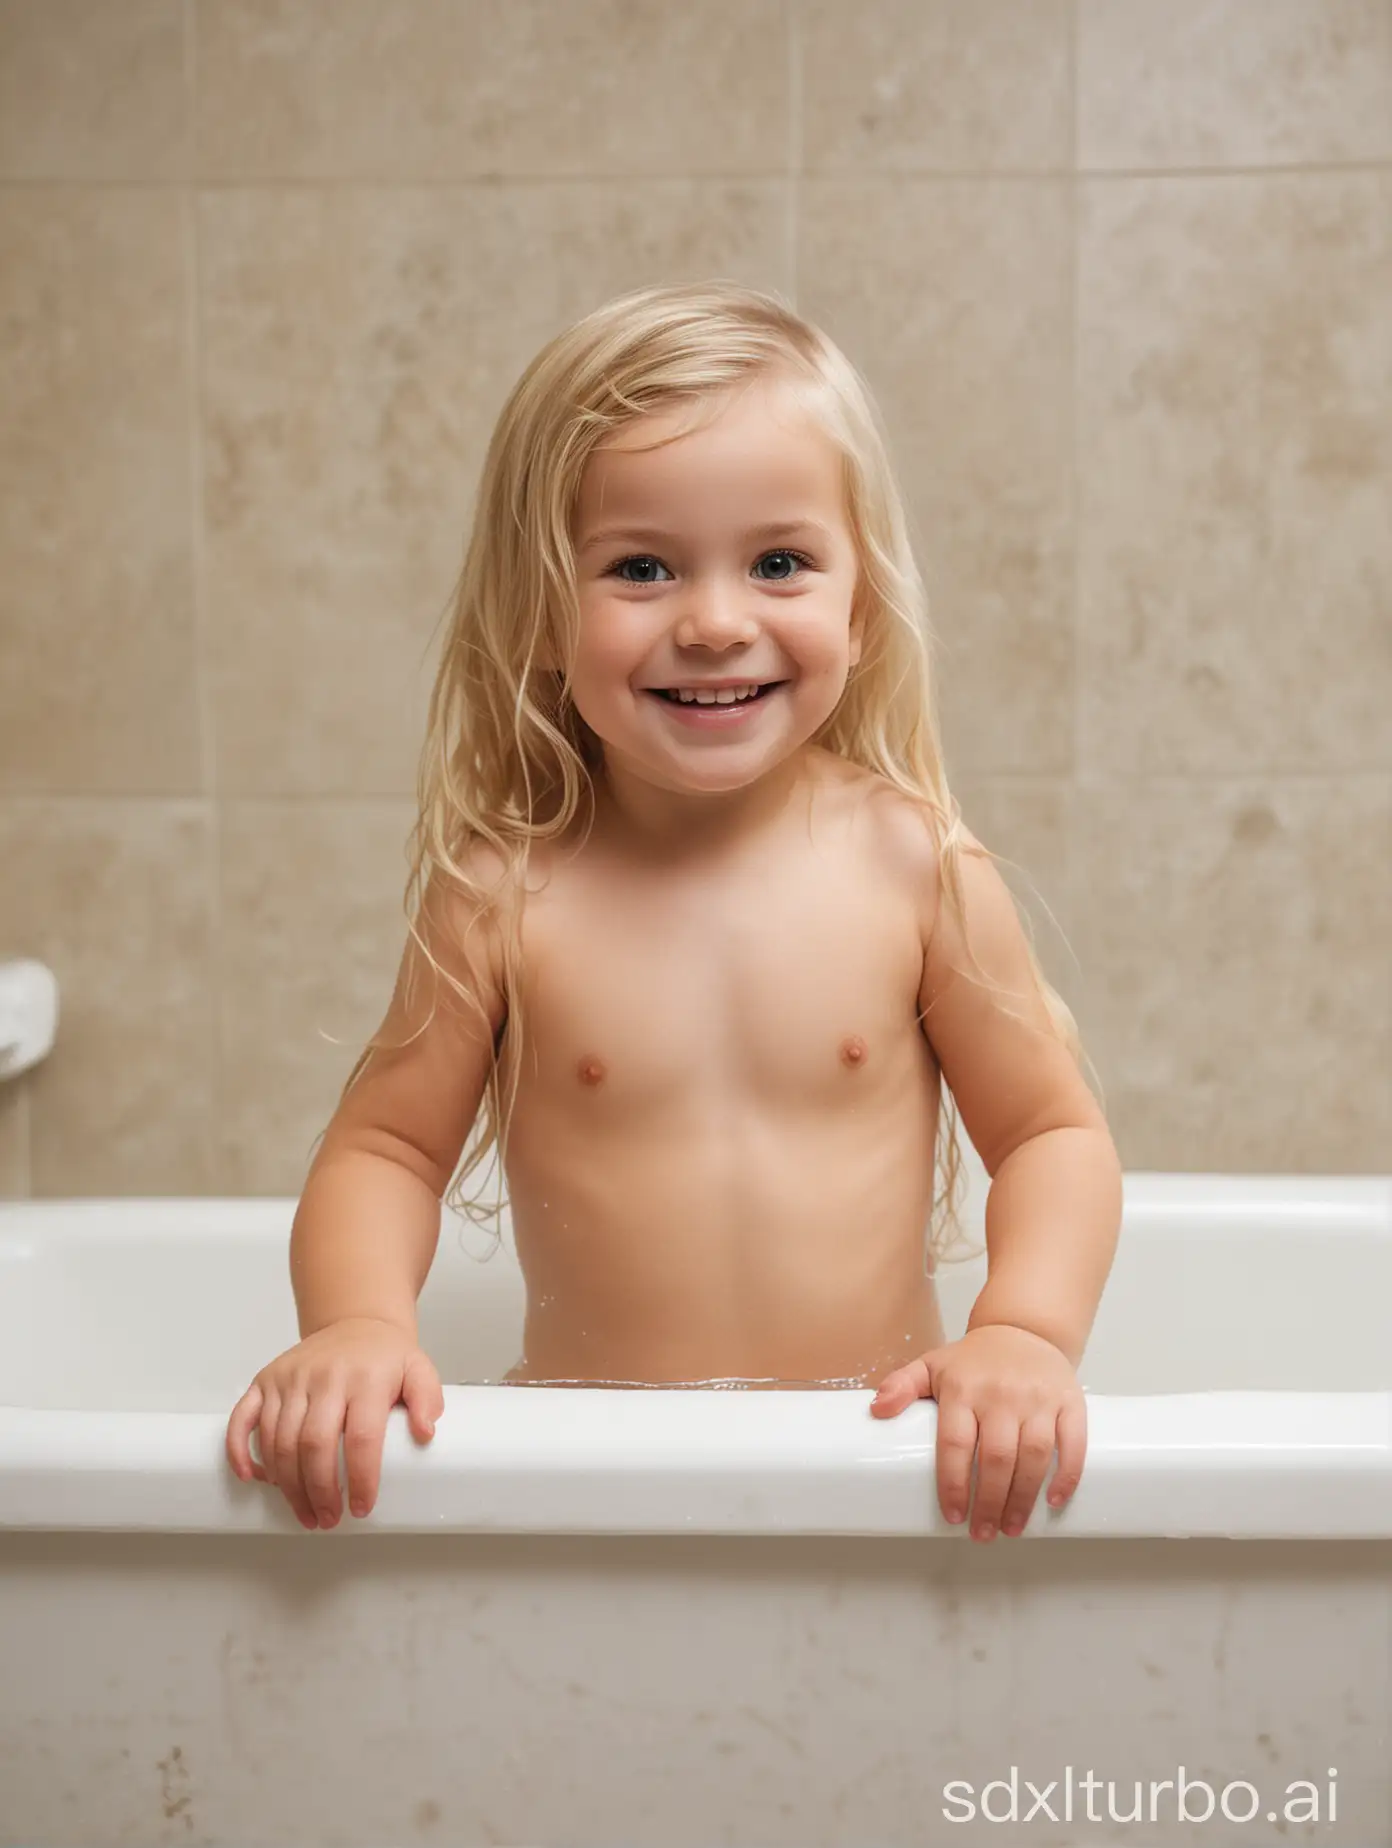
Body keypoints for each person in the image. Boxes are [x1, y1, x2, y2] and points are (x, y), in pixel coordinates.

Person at [225, 280, 1123, 1546]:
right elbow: (388, 1150)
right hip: (595, 1475)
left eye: (780, 562)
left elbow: (1049, 1135)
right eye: (640, 567)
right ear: (540, 611)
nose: (714, 621)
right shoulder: (506, 891)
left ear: (858, 606)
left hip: (872, 1457)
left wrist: (1025, 1334)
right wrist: (360, 1328)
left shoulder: (908, 861)